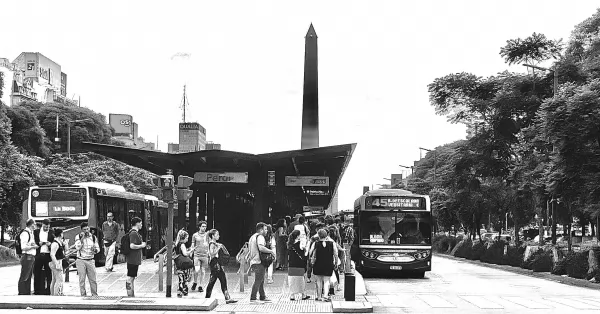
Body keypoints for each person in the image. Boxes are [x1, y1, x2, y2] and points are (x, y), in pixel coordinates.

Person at [204, 229, 237, 304]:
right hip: (215, 264)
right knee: (215, 281)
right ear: (213, 236)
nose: (218, 236)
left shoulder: (215, 243)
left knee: (220, 280)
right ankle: (208, 297)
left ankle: (226, 297)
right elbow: (212, 254)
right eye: (217, 234)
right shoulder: (212, 244)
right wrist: (218, 249)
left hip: (217, 264)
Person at [247, 222, 275, 303]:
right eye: (265, 229)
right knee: (258, 280)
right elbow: (261, 247)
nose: (266, 231)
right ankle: (253, 297)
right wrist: (271, 251)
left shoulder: (252, 237)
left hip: (253, 261)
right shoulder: (260, 237)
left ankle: (262, 296)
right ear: (261, 230)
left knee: (261, 279)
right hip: (258, 261)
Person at [310, 229, 338, 302]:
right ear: (326, 235)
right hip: (328, 264)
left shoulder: (315, 244)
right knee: (327, 281)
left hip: (317, 264)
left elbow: (310, 253)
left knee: (318, 281)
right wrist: (336, 263)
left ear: (318, 235)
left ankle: (319, 296)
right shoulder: (332, 243)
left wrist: (311, 258)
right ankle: (325, 296)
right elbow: (336, 254)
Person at [75, 222, 100, 296]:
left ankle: (94, 294)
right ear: (81, 230)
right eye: (84, 229)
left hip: (90, 259)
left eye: (87, 229)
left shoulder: (93, 237)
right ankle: (83, 294)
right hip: (81, 260)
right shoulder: (78, 237)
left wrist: (95, 250)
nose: (86, 231)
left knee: (93, 279)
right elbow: (77, 247)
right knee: (82, 279)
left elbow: (97, 248)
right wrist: (82, 239)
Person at [287, 230, 310, 301]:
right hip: (299, 264)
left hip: (291, 264)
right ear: (297, 236)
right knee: (300, 280)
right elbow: (305, 252)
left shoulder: (289, 244)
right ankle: (303, 294)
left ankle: (292, 295)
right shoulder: (300, 243)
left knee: (292, 280)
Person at [126, 217, 146, 297]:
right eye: (140, 223)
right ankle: (130, 294)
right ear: (137, 223)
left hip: (134, 259)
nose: (141, 225)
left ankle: (131, 293)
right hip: (132, 259)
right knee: (130, 277)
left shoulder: (134, 233)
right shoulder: (134, 233)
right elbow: (132, 246)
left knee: (132, 277)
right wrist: (142, 245)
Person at [18, 219, 39, 295]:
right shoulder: (25, 233)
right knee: (25, 275)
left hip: (31, 256)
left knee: (29, 275)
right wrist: (33, 247)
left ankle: (26, 291)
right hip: (27, 256)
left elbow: (29, 243)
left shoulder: (31, 233)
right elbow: (23, 247)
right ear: (31, 224)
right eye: (35, 224)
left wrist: (33, 245)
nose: (35, 225)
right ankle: (22, 292)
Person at [33, 219, 54, 295]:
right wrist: (39, 244)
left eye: (48, 227)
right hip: (39, 254)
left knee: (49, 273)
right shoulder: (36, 232)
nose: (46, 229)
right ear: (42, 225)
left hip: (48, 255)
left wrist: (50, 244)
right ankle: (37, 290)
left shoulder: (52, 232)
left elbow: (55, 242)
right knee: (37, 272)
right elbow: (33, 242)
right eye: (45, 227)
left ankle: (48, 290)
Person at [175, 229, 194, 298]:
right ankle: (184, 290)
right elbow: (185, 254)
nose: (187, 239)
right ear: (183, 238)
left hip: (178, 263)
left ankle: (179, 291)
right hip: (184, 264)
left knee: (180, 278)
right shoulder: (182, 244)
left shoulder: (176, 244)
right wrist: (191, 250)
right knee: (185, 278)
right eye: (186, 238)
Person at [191, 221, 209, 292]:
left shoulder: (207, 235)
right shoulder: (195, 235)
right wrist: (191, 250)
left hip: (205, 255)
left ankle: (201, 285)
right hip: (197, 255)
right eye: (203, 226)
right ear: (199, 227)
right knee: (197, 269)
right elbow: (193, 243)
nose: (204, 228)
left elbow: (209, 243)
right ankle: (195, 282)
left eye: (205, 226)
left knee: (203, 271)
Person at [49, 228, 66, 296]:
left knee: (54, 279)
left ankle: (53, 293)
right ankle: (57, 294)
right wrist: (57, 264)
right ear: (60, 234)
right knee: (59, 279)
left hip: (58, 261)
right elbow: (52, 254)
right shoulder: (55, 244)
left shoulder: (58, 243)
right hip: (56, 262)